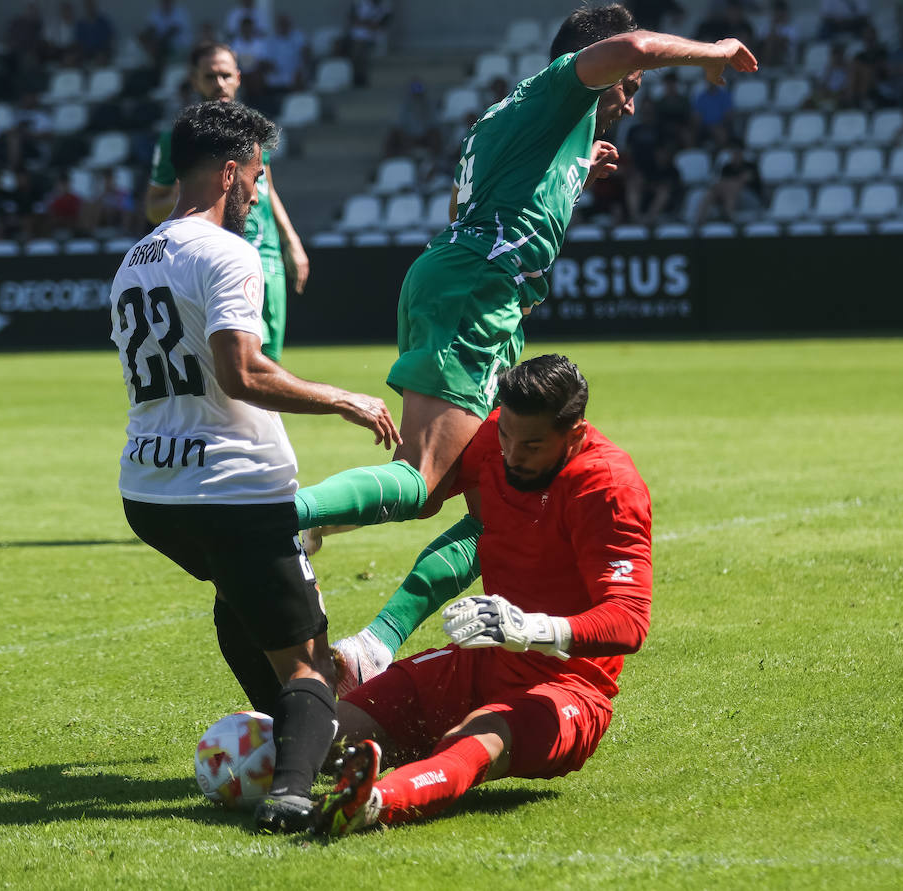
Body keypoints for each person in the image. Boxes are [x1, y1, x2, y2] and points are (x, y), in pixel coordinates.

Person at [292, 5, 753, 693]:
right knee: (420, 481)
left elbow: (477, 207)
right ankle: (277, 515)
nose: (628, 101)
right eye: (626, 86)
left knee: (495, 506)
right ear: (589, 66)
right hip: (476, 290)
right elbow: (630, 46)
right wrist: (712, 51)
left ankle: (371, 646)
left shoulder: (529, 125)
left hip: (476, 291)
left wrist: (574, 171)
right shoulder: (559, 87)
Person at [109, 100, 400, 833]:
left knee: (240, 598)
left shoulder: (134, 258)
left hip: (149, 488)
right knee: (307, 659)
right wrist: (343, 397)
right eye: (258, 179)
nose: (259, 195)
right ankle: (295, 791)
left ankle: (300, 740)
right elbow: (239, 373)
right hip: (228, 485)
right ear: (230, 171)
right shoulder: (229, 253)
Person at [311, 355, 653, 836]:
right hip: (479, 661)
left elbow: (629, 620)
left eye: (532, 445)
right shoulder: (497, 439)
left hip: (567, 689)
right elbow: (422, 489)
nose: (512, 454)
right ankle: (251, 755)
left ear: (574, 435)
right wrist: (324, 520)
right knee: (327, 732)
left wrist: (531, 629)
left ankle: (372, 802)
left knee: (472, 740)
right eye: (506, 436)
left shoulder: (607, 488)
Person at [147, 43, 309, 363]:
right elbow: (152, 209)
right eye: (210, 76)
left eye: (225, 75)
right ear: (194, 81)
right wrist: (189, 184)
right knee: (229, 365)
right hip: (212, 259)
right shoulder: (176, 141)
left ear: (238, 77)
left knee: (269, 364)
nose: (219, 83)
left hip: (265, 256)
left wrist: (292, 241)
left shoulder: (254, 132)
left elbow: (268, 188)